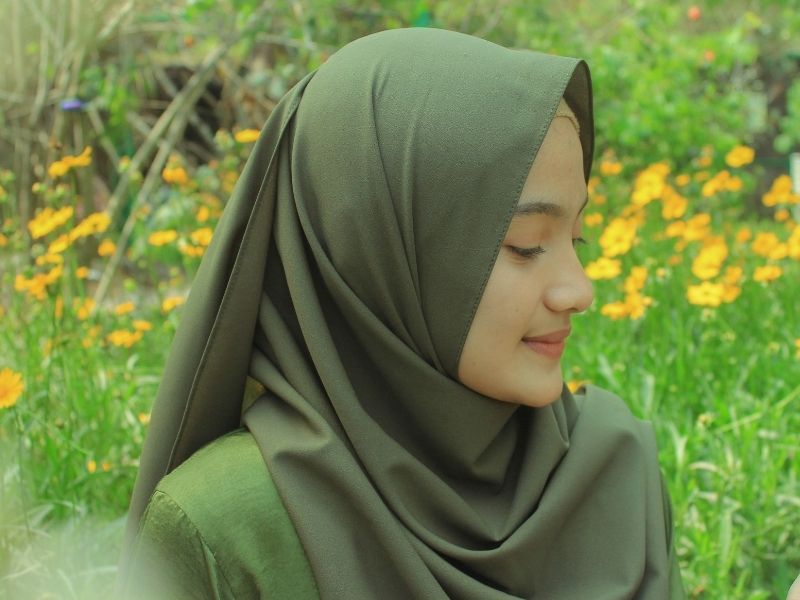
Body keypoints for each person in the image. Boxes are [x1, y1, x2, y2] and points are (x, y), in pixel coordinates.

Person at [117, 27, 686, 598]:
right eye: (526, 244)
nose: (578, 290)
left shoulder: (615, 472)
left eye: (578, 239)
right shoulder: (228, 526)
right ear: (376, 253)